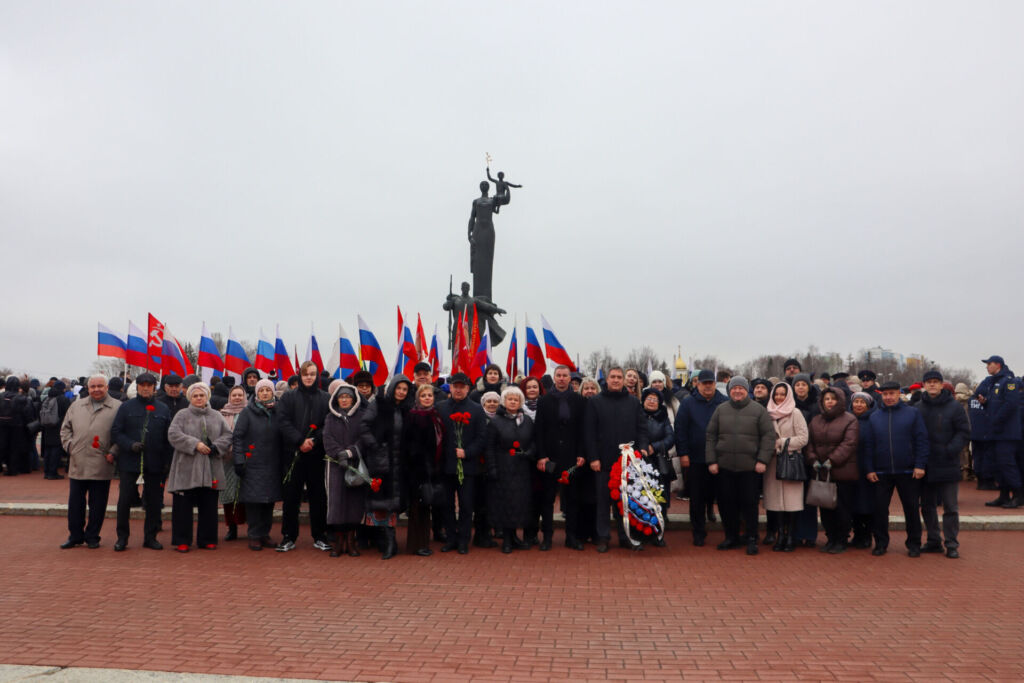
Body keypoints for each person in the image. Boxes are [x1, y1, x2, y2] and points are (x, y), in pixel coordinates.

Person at [705, 377, 775, 556]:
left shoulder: (758, 410)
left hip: (750, 468)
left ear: (746, 391)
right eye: (734, 388)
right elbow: (711, 436)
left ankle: (751, 538)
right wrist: (712, 461)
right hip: (724, 467)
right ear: (729, 391)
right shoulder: (721, 409)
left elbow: (768, 437)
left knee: (750, 505)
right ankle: (731, 537)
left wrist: (762, 460)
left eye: (741, 388)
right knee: (726, 504)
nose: (737, 391)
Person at [584, 367, 649, 553]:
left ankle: (626, 536)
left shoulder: (634, 402)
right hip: (603, 462)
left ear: (623, 380)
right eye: (612, 377)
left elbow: (642, 428)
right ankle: (603, 537)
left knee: (626, 502)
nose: (616, 380)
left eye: (619, 377)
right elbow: (589, 432)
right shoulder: (595, 402)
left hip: (627, 462)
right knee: (603, 502)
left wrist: (643, 447)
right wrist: (593, 458)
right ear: (607, 380)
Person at [865, 381, 929, 557]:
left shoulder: (912, 413)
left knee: (911, 509)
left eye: (892, 393)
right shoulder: (874, 417)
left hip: (908, 471)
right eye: (885, 394)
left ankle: (914, 544)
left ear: (899, 394)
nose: (888, 397)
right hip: (881, 472)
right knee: (879, 510)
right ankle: (880, 543)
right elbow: (869, 445)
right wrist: (869, 468)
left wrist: (920, 465)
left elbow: (921, 440)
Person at [166, 383, 232, 552]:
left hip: (211, 467)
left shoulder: (217, 415)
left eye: (201, 395)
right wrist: (195, 444)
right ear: (190, 398)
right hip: (186, 467)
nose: (198, 398)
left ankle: (207, 539)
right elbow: (173, 434)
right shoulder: (182, 415)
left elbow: (227, 435)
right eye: (195, 396)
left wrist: (216, 447)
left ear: (207, 396)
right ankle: (182, 540)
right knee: (183, 506)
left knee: (209, 504)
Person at [110, 372, 172, 551]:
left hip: (154, 462)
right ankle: (122, 538)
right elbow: (116, 432)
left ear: (154, 388)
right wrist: (130, 445)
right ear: (137, 387)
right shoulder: (126, 407)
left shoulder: (163, 409)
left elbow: (168, 437)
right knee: (125, 501)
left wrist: (167, 461)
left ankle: (150, 537)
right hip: (129, 461)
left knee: (153, 502)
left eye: (149, 385)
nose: (145, 388)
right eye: (142, 385)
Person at [59, 375, 120, 549]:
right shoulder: (76, 406)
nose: (96, 389)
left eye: (100, 386)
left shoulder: (117, 407)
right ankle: (75, 535)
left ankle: (93, 536)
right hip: (78, 461)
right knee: (75, 503)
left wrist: (114, 452)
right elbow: (65, 429)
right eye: (93, 386)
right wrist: (70, 446)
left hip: (102, 462)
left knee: (98, 504)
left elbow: (123, 433)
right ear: (88, 388)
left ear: (106, 387)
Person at [276, 361, 331, 552]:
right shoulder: (288, 397)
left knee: (318, 497)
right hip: (293, 454)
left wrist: (314, 440)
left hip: (316, 454)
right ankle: (288, 536)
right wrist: (299, 440)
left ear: (317, 376)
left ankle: (320, 535)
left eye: (312, 374)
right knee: (291, 497)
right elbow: (283, 421)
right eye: (306, 374)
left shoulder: (325, 398)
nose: (309, 377)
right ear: (300, 375)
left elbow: (328, 423)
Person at [916, 370, 970, 558]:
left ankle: (951, 543)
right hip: (926, 464)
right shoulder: (917, 407)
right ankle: (933, 540)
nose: (932, 384)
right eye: (928, 382)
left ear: (941, 384)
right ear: (924, 385)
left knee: (950, 507)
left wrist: (950, 449)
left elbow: (963, 432)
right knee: (927, 506)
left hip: (948, 462)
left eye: (935, 381)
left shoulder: (954, 407)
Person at [533, 365, 587, 550]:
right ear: (554, 378)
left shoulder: (579, 400)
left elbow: (583, 430)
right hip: (550, 457)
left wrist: (581, 453)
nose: (562, 378)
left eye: (565, 375)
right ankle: (547, 537)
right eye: (559, 375)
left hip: (572, 457)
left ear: (570, 379)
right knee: (547, 499)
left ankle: (571, 537)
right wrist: (542, 456)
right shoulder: (544, 401)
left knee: (572, 499)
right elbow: (539, 430)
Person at [673, 369, 727, 546]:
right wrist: (683, 453)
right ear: (698, 384)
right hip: (695, 458)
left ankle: (727, 530)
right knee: (696, 497)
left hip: (719, 458)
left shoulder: (724, 402)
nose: (708, 386)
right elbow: (680, 429)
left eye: (711, 383)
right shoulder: (688, 403)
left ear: (715, 384)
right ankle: (698, 531)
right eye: (704, 383)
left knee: (719, 494)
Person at [805, 387, 859, 554]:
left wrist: (832, 460)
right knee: (825, 508)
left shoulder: (850, 420)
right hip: (821, 471)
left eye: (833, 399)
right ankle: (831, 538)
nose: (829, 402)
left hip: (842, 471)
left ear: (840, 400)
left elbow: (849, 443)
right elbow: (809, 443)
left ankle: (841, 540)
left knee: (842, 508)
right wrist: (813, 459)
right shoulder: (816, 420)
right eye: (826, 399)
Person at [438, 373, 487, 554]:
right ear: (450, 388)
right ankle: (451, 538)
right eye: (455, 386)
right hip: (445, 466)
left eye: (462, 387)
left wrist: (467, 452)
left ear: (467, 388)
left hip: (468, 466)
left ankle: (464, 540)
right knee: (447, 505)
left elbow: (482, 438)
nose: (458, 390)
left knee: (466, 505)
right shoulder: (440, 407)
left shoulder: (476, 409)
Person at [364, 376, 412, 559]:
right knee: (382, 500)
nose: (401, 392)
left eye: (404, 389)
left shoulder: (408, 407)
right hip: (382, 460)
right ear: (392, 388)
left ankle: (389, 540)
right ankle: (387, 540)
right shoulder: (378, 404)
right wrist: (375, 445)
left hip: (402, 462)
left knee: (395, 501)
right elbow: (364, 426)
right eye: (398, 388)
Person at [231, 379, 282, 551]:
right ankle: (254, 534)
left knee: (269, 501)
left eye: (268, 390)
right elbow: (238, 437)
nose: (265, 393)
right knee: (254, 501)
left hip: (273, 463)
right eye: (261, 390)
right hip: (252, 463)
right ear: (257, 393)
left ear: (273, 392)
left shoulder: (279, 411)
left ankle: (264, 533)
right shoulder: (248, 412)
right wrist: (239, 460)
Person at [324, 382, 374, 557]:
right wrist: (339, 454)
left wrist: (349, 453)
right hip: (335, 466)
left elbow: (363, 439)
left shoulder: (361, 417)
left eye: (347, 397)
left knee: (354, 503)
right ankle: (339, 542)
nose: (344, 400)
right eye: (341, 397)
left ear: (354, 399)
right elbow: (327, 439)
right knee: (337, 503)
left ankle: (351, 541)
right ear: (336, 399)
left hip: (355, 465)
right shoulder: (330, 418)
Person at [485, 387, 536, 553]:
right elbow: (489, 447)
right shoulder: (495, 422)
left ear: (520, 402)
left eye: (516, 399)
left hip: (522, 468)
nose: (513, 402)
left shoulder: (527, 420)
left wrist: (530, 452)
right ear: (504, 401)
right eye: (510, 399)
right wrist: (492, 468)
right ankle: (506, 539)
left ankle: (514, 537)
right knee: (505, 503)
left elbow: (533, 441)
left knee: (519, 503)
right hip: (503, 468)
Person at [763, 382, 808, 552]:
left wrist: (781, 443)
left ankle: (791, 537)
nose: (779, 397)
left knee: (791, 503)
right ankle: (780, 535)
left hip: (791, 462)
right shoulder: (767, 414)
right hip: (773, 463)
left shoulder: (795, 413)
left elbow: (803, 438)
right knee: (776, 503)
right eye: (776, 394)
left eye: (783, 394)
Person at [401, 383, 445, 556]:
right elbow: (410, 446)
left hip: (432, 468)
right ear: (418, 398)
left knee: (426, 508)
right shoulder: (414, 416)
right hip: (418, 470)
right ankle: (417, 545)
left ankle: (424, 543)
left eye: (429, 395)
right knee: (418, 508)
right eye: (423, 395)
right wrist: (420, 468)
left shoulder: (435, 415)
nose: (427, 398)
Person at [978, 356, 1023, 508]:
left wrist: (995, 420)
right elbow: (996, 405)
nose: (987, 367)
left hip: (1007, 433)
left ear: (998, 365)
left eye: (989, 364)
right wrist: (985, 403)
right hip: (996, 432)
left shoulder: (1008, 381)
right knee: (998, 465)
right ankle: (1004, 496)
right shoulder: (994, 382)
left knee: (1007, 464)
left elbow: (1011, 404)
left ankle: (1018, 495)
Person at [641, 387, 675, 547]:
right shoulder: (637, 415)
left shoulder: (664, 417)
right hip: (640, 462)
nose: (651, 402)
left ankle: (658, 533)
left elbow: (670, 438)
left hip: (659, 462)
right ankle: (640, 531)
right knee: (641, 497)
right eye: (649, 398)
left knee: (659, 498)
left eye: (655, 399)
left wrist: (654, 447)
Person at [218, 385, 249, 541]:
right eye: (234, 395)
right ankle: (232, 527)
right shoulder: (222, 414)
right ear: (229, 397)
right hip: (227, 459)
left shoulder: (250, 412)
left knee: (247, 493)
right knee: (229, 494)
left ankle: (251, 526)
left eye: (240, 395)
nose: (237, 398)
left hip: (247, 458)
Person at [849, 392, 877, 548]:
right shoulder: (848, 419)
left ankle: (867, 535)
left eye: (862, 402)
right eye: (856, 401)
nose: (858, 405)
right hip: (850, 468)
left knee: (866, 503)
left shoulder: (873, 420)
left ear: (868, 405)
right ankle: (857, 534)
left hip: (867, 468)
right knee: (853, 503)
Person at [0, 375, 34, 475]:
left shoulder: (1, 396)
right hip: (17, 425)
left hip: (2, 425)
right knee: (14, 448)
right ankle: (12, 469)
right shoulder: (22, 398)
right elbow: (28, 413)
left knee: (2, 446)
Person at [39, 380, 71, 479]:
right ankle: (53, 472)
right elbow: (68, 414)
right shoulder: (63, 399)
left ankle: (47, 471)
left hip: (47, 427)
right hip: (59, 427)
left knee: (48, 449)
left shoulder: (47, 398)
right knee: (56, 450)